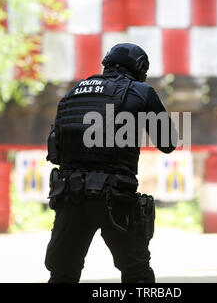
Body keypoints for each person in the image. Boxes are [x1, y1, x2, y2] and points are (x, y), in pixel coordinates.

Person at [44, 43, 177, 283]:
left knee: (62, 275)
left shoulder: (71, 94)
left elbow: (57, 152)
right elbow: (168, 143)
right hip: (115, 199)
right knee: (137, 274)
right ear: (140, 68)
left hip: (71, 196)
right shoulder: (140, 92)